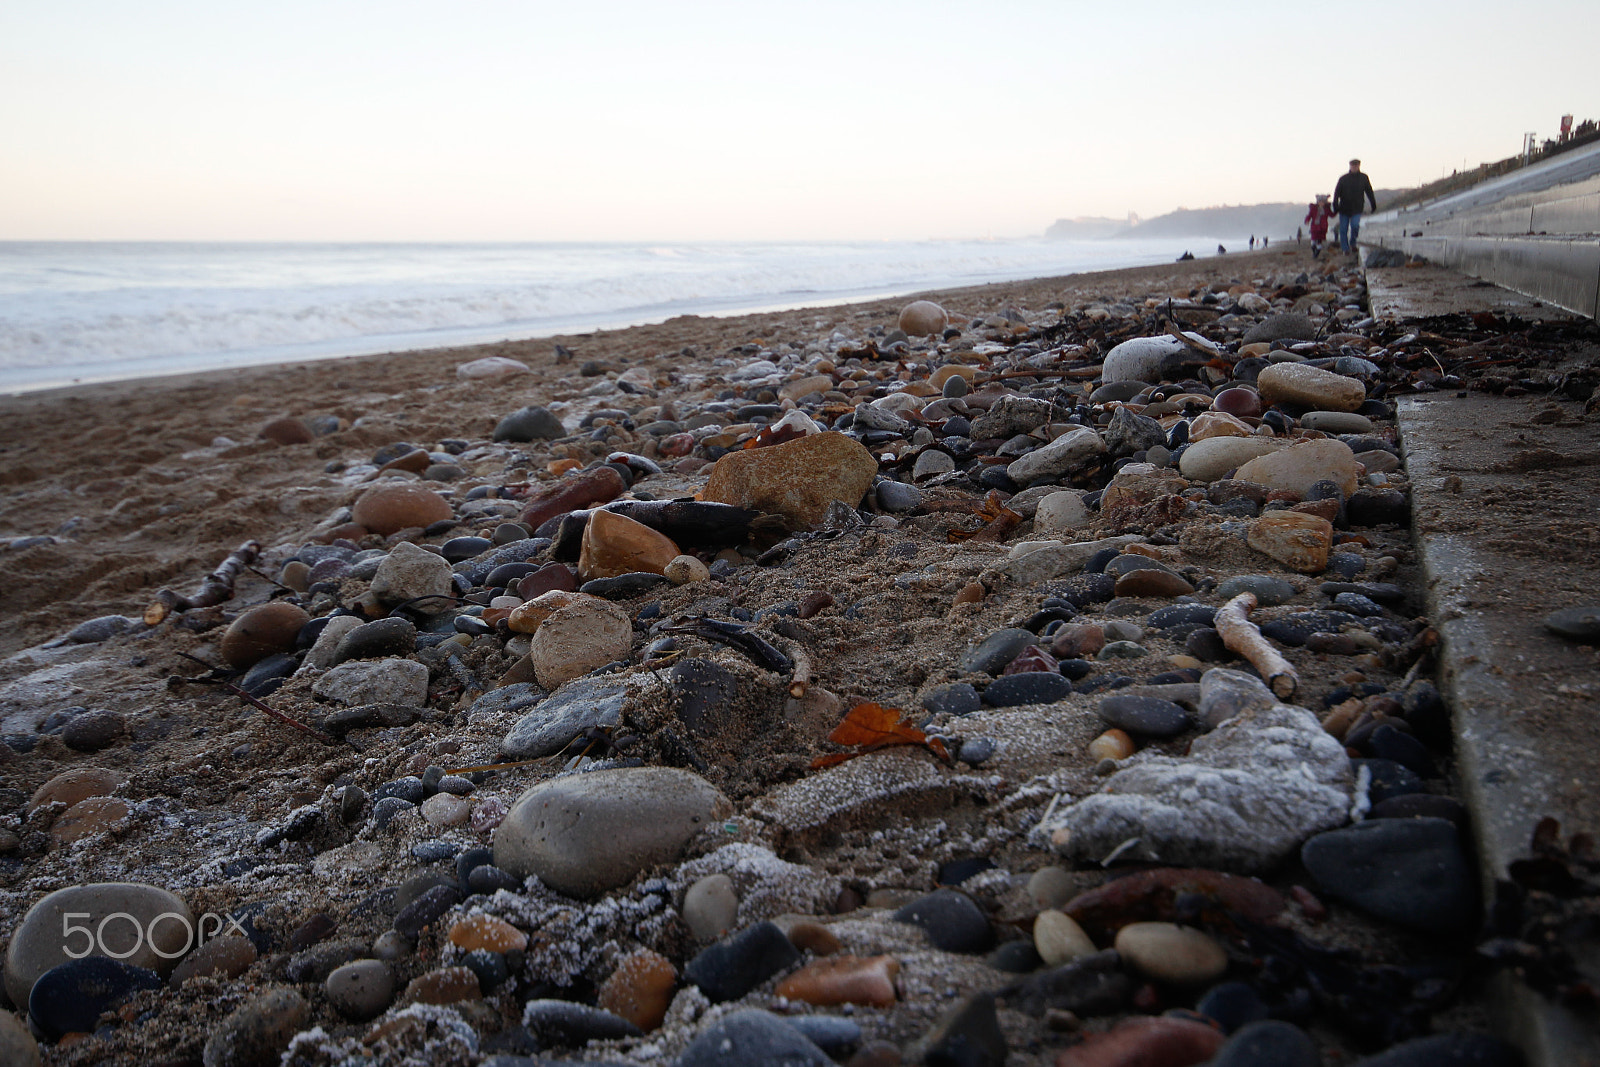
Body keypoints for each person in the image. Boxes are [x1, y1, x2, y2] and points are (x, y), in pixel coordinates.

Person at [1333, 158, 1377, 254]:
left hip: (1357, 208)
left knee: (1355, 226)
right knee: (1343, 229)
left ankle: (1353, 243)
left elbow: (1369, 191)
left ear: (1359, 166)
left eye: (1356, 165)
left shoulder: (1363, 178)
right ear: (1350, 166)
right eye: (1353, 165)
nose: (1354, 167)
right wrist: (1335, 206)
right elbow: (1336, 193)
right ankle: (1345, 249)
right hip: (1344, 209)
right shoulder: (1343, 179)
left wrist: (1373, 204)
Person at [1305, 194, 1334, 259]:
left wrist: (1338, 210)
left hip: (1322, 229)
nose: (1321, 203)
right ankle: (1314, 252)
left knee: (1319, 242)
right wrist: (1307, 221)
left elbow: (1332, 215)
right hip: (1314, 228)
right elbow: (1309, 216)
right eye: (1320, 202)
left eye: (1323, 202)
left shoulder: (1327, 209)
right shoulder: (1313, 209)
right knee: (1313, 243)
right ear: (1317, 202)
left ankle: (1316, 255)